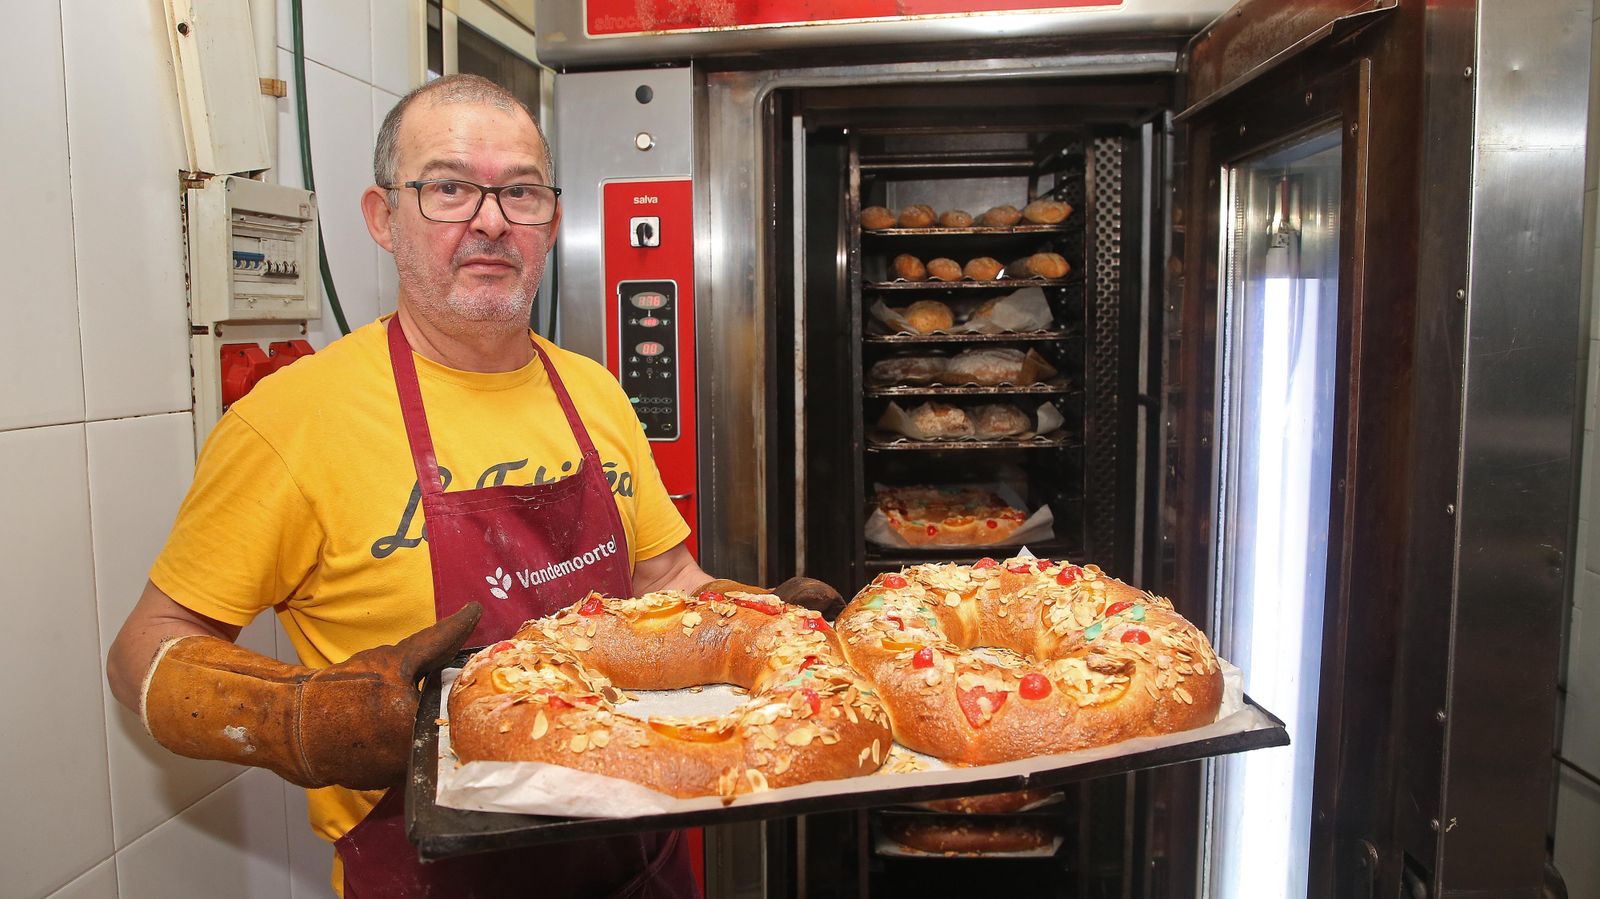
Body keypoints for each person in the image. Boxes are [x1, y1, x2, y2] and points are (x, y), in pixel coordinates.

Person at [106, 73, 839, 898]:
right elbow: (145, 645)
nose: (490, 219)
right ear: (385, 219)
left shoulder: (593, 391)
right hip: (432, 876)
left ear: (551, 222)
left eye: (520, 191)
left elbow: (663, 579)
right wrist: (296, 718)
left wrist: (762, 626)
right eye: (449, 187)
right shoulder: (292, 420)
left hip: (640, 860)